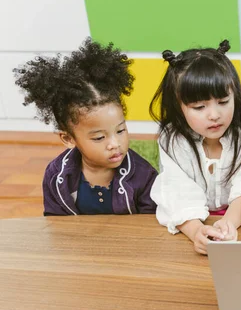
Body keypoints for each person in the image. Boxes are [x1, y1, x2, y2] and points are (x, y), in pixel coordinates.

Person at [14, 38, 158, 216]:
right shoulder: (57, 175)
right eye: (99, 137)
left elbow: (151, 225)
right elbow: (55, 223)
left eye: (120, 130)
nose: (115, 143)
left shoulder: (144, 175)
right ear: (68, 139)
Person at [149, 40, 241, 254]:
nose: (214, 115)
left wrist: (227, 224)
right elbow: (176, 191)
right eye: (199, 107)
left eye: (223, 102)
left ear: (235, 96)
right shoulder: (172, 139)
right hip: (192, 222)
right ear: (178, 106)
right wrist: (196, 231)